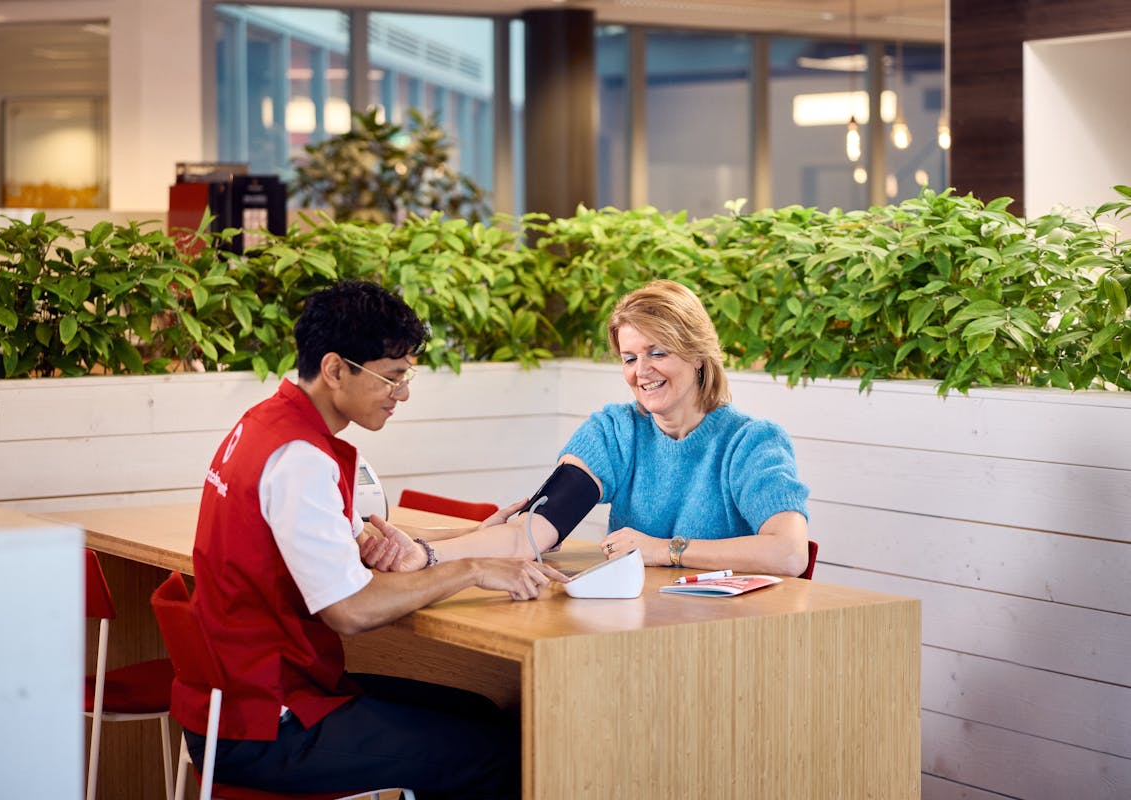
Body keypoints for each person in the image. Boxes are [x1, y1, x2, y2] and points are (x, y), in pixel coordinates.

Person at [178, 279, 566, 800]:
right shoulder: (300, 459)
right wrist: (472, 569)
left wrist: (474, 537)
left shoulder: (265, 426)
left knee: (479, 711)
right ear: (336, 369)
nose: (402, 393)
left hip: (243, 697)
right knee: (495, 752)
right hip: (268, 724)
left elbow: (354, 543)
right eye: (392, 377)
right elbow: (350, 611)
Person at [363, 279, 810, 577]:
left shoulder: (751, 442)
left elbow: (789, 553)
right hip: (639, 621)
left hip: (734, 635)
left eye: (658, 352)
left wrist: (664, 550)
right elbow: (533, 533)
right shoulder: (614, 432)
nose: (642, 371)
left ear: (697, 355)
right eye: (630, 358)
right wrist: (427, 553)